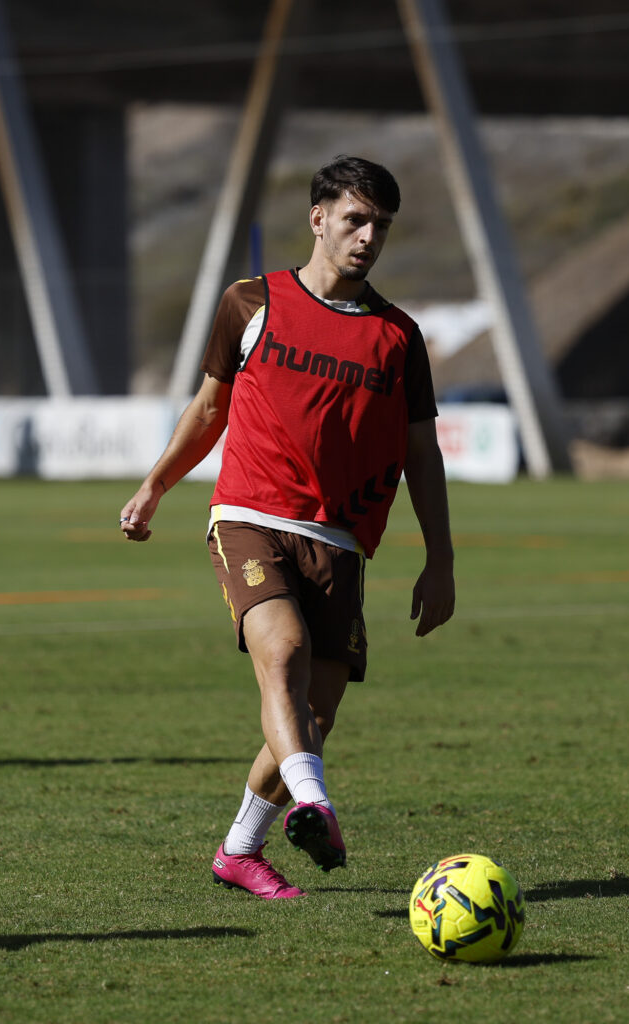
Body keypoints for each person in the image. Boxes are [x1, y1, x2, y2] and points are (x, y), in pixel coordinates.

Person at [120, 156, 455, 900]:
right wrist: (155, 485)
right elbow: (210, 410)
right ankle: (316, 804)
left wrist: (441, 559)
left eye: (381, 226)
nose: (368, 237)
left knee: (314, 714)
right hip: (249, 515)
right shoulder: (251, 302)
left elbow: (422, 453)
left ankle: (240, 850)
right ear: (318, 218)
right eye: (356, 220)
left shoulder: (400, 336)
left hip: (340, 539)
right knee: (286, 652)